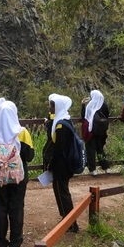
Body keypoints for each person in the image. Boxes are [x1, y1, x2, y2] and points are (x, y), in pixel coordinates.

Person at [0, 101, 34, 247]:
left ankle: (0, 243)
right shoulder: (22, 132)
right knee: (17, 207)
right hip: (18, 177)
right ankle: (14, 245)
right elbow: (30, 156)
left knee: (0, 206)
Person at [48, 94, 80, 233]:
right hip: (64, 164)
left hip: (62, 165)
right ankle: (67, 219)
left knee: (62, 192)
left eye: (52, 105)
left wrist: (51, 164)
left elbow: (59, 149)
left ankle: (70, 223)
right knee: (61, 190)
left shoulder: (61, 125)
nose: (50, 108)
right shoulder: (64, 120)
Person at [81, 89, 110, 175]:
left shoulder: (90, 105)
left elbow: (84, 117)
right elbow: (107, 115)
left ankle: (93, 170)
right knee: (100, 149)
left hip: (91, 131)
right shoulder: (103, 105)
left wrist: (83, 105)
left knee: (91, 150)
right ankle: (106, 167)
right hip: (101, 131)